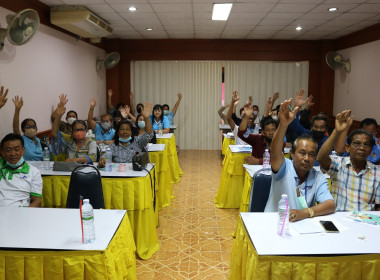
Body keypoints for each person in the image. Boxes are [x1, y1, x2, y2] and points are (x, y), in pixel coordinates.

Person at [264, 98, 335, 222]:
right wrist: (283, 124)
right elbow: (275, 153)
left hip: (302, 225)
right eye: (302, 153)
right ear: (292, 153)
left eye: (312, 154)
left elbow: (330, 205)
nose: (307, 158)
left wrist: (304, 213)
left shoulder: (317, 177)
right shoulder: (284, 167)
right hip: (275, 222)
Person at [317, 110, 380, 211]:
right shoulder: (339, 164)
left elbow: (378, 207)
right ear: (347, 148)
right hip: (340, 220)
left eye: (366, 144)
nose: (362, 148)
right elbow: (321, 158)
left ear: (371, 149)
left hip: (366, 222)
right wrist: (337, 131)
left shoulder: (377, 173)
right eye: (357, 143)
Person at [0, 133, 43, 207]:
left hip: (21, 212)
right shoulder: (1, 167)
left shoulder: (33, 172)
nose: (13, 153)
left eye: (16, 149)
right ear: (3, 153)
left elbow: (37, 200)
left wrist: (25, 214)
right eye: (8, 150)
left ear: (23, 150)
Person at [289, 89, 329, 164]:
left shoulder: (328, 141)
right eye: (316, 127)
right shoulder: (306, 134)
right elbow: (294, 124)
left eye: (322, 127)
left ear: (326, 129)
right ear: (311, 127)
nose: (318, 129)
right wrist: (297, 107)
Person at [12, 95, 44, 161]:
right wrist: (17, 110)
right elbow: (15, 129)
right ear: (23, 129)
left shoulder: (37, 140)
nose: (31, 128)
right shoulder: (21, 140)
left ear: (36, 128)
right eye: (28, 127)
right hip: (28, 169)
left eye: (33, 126)